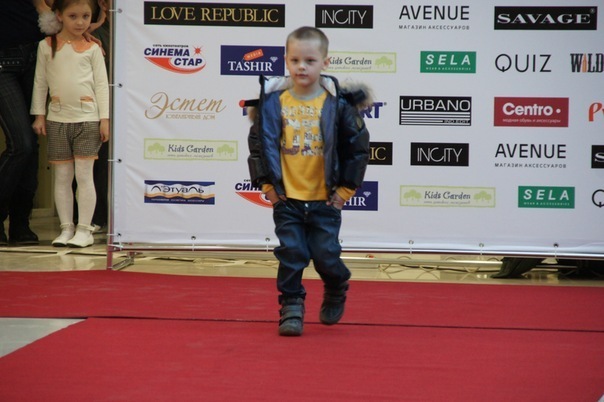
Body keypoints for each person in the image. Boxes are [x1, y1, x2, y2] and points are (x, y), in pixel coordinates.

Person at [246, 26, 371, 336]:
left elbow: (357, 150)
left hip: (325, 201)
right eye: (295, 60)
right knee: (292, 254)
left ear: (325, 63)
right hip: (287, 200)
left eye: (310, 61)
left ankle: (336, 283)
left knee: (326, 255)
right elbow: (258, 147)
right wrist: (268, 188)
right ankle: (291, 306)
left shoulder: (338, 105)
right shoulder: (272, 103)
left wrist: (345, 191)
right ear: (286, 61)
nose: (302, 67)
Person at [31, 0, 110, 248]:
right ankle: (66, 228)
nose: (80, 22)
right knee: (63, 176)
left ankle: (84, 229)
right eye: (73, 16)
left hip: (88, 119)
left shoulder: (93, 48)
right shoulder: (46, 46)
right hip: (57, 119)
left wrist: (104, 119)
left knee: (85, 176)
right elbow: (40, 82)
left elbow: (102, 86)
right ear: (59, 16)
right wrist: (39, 114)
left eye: (85, 16)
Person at [0, 0, 54, 246]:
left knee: (32, 145)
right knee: (21, 144)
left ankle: (21, 222)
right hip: (3, 62)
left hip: (35, 52)